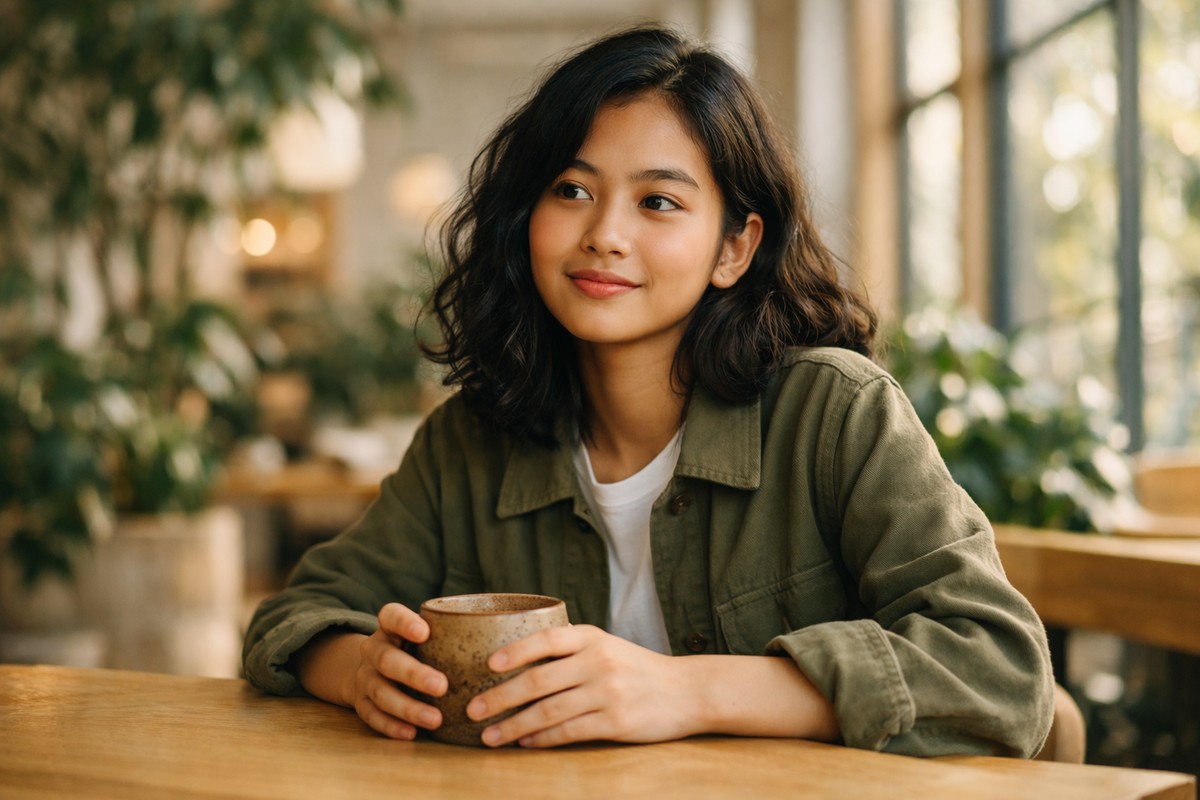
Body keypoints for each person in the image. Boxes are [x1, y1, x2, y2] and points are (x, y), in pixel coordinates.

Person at [243, 24, 1055, 757]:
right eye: (571, 190)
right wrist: (359, 669)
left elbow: (1001, 669)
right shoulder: (472, 440)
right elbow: (295, 616)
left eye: (658, 201)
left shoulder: (835, 413)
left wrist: (685, 689)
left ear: (734, 248)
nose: (605, 233)